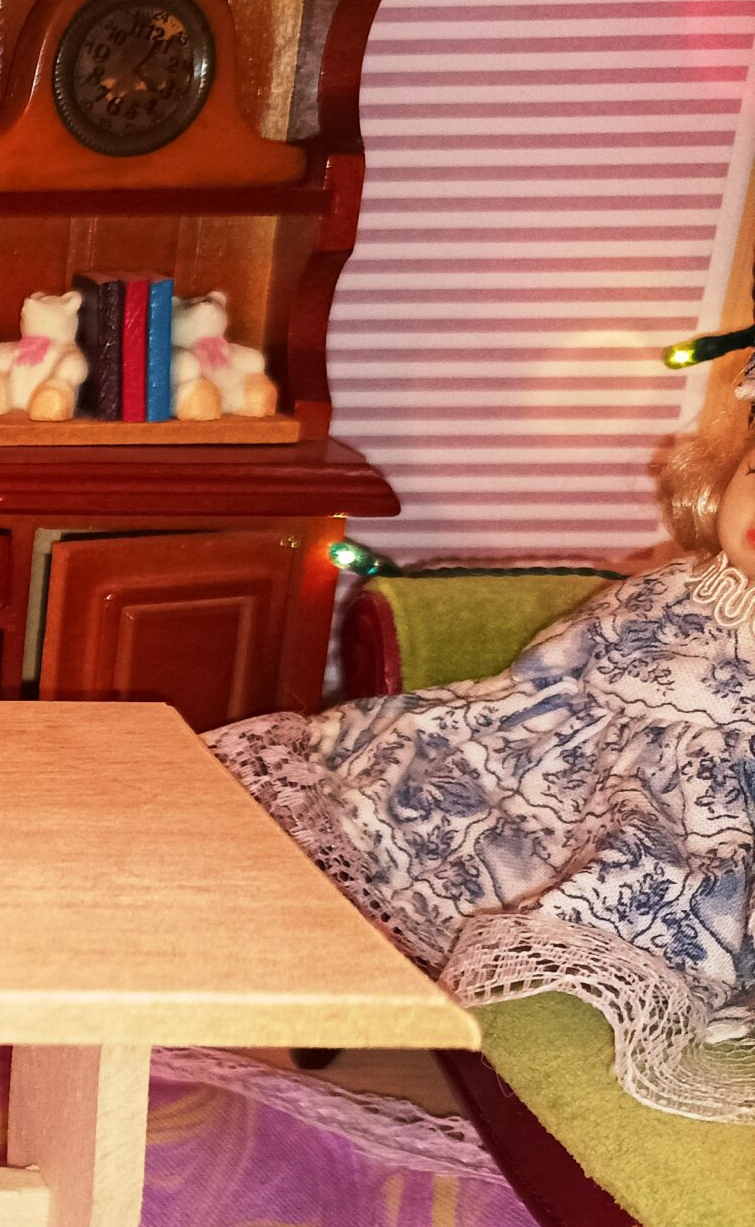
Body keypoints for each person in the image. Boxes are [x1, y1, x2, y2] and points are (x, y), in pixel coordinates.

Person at [209, 430, 754, 1121]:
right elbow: (550, 672)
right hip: (561, 776)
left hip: (696, 835)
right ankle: (345, 952)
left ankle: (562, 966)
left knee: (628, 877)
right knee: (402, 774)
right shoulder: (674, 586)